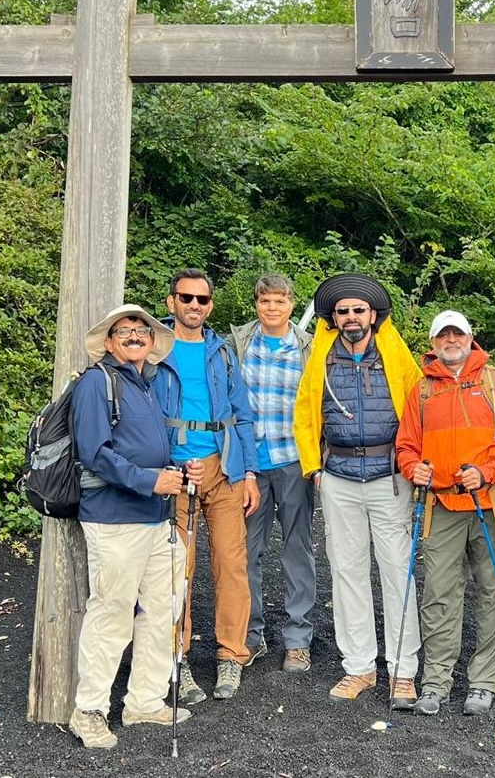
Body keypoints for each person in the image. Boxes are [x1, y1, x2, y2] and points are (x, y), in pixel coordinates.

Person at [68, 305, 205, 749]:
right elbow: (94, 452)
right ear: (108, 342)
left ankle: (145, 700)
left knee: (162, 609)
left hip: (154, 518)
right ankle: (88, 711)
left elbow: (146, 450)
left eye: (140, 330)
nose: (133, 336)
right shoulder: (96, 383)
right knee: (111, 614)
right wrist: (152, 481)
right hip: (114, 520)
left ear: (151, 341)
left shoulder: (146, 386)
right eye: (123, 331)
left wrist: (179, 470)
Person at [293, 273, 422, 705]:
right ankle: (359, 666)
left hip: (390, 477)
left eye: (358, 310)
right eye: (343, 311)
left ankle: (403, 670)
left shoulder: (393, 352)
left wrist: (414, 461)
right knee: (347, 572)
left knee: (395, 571)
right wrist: (314, 468)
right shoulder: (322, 355)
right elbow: (306, 408)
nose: (351, 317)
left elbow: (418, 403)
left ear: (373, 315)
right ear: (334, 317)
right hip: (339, 476)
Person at [396, 310, 495, 716]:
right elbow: (406, 446)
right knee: (438, 595)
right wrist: (411, 467)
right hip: (441, 507)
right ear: (434, 343)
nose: (451, 340)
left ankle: (484, 682)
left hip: (491, 504)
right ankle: (435, 683)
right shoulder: (420, 391)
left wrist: (487, 471)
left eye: (458, 334)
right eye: (443, 335)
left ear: (471, 338)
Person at [153, 268, 260, 704]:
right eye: (186, 298)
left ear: (210, 305)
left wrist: (249, 472)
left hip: (223, 466)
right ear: (171, 302)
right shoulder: (153, 350)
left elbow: (242, 413)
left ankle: (231, 654)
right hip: (173, 470)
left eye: (201, 299)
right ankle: (175, 657)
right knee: (177, 568)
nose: (193, 306)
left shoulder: (222, 353)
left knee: (231, 565)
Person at [230, 274, 315, 674]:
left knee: (297, 549)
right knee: (246, 551)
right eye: (265, 301)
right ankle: (251, 634)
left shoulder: (308, 348)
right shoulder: (239, 345)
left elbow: (318, 406)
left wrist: (318, 459)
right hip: (250, 465)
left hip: (293, 460)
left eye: (279, 301)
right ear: (256, 305)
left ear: (291, 305)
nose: (272, 308)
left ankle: (298, 640)